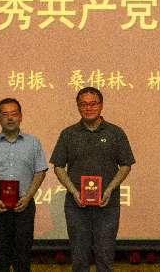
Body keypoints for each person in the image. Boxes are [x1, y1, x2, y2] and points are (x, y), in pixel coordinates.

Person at [51, 87, 136, 272]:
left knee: (105, 257)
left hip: (108, 205)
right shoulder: (68, 134)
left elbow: (126, 165)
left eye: (93, 104)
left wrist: (109, 189)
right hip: (76, 206)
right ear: (77, 106)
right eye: (83, 104)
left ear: (101, 105)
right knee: (79, 258)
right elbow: (58, 167)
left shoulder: (115, 133)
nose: (88, 108)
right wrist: (74, 191)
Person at [0, 98, 48, 272]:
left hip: (24, 205)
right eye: (5, 114)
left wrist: (28, 197)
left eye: (14, 114)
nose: (10, 118)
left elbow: (40, 171)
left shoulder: (33, 142)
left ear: (21, 116)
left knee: (23, 257)